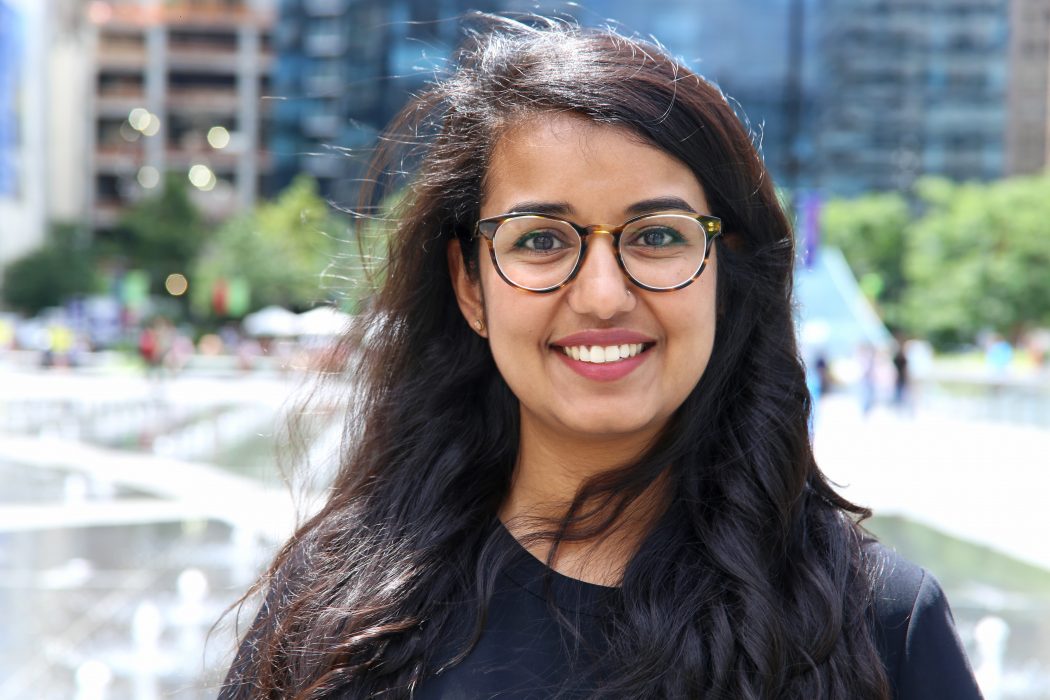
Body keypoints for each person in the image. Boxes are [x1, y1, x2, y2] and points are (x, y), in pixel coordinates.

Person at [220, 18, 981, 699]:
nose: (604, 296)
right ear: (471, 286)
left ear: (727, 272)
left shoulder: (878, 623)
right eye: (541, 240)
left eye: (657, 237)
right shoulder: (339, 610)